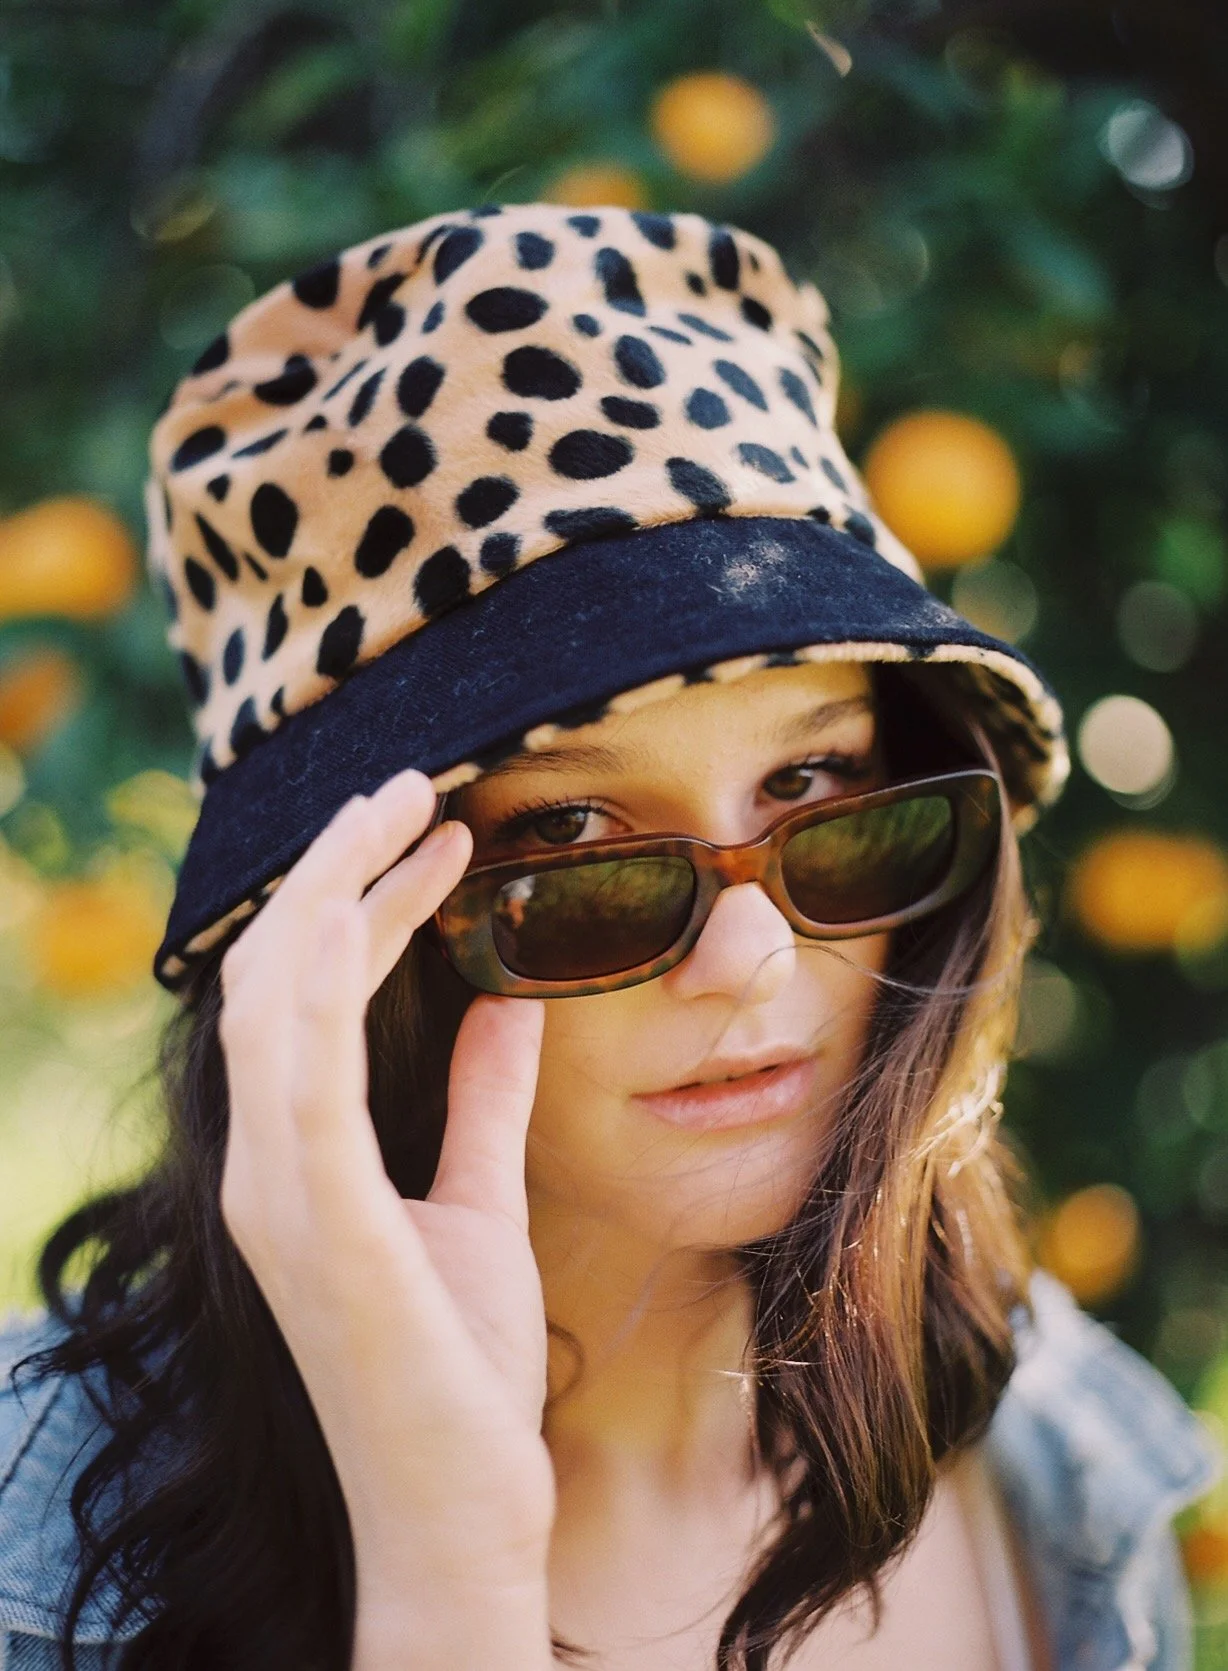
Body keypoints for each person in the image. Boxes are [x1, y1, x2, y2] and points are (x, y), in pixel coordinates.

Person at [0, 202, 1216, 1671]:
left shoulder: (1069, 1477)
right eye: (573, 843)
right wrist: (446, 1542)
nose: (755, 962)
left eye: (817, 782)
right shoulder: (40, 1538)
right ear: (344, 944)